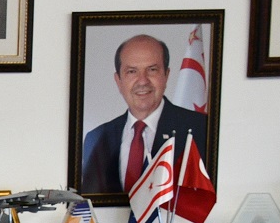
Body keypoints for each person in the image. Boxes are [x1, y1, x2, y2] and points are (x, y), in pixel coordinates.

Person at [79, 33, 210, 196]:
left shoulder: (202, 129)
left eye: (152, 70)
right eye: (132, 71)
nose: (142, 81)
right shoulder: (96, 139)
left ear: (166, 75)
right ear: (118, 81)